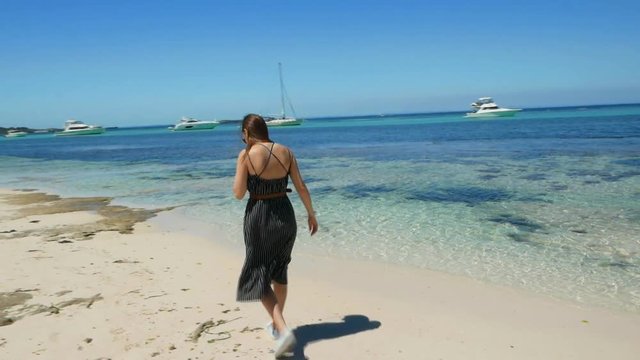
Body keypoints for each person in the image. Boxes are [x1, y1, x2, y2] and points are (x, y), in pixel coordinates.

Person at [232, 113, 318, 357]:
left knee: (257, 274)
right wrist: (311, 214)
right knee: (279, 270)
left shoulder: (246, 155)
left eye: (243, 135)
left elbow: (238, 194)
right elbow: (301, 186)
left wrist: (241, 164)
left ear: (247, 133)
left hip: (260, 217)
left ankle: (282, 328)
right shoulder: (286, 152)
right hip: (286, 215)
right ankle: (277, 327)